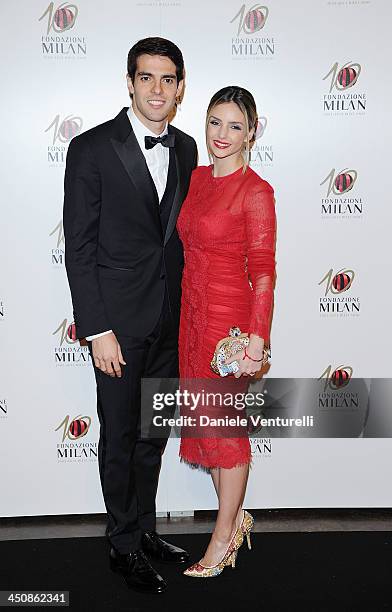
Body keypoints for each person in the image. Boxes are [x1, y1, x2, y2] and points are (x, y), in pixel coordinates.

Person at [63, 37, 198, 594]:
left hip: (170, 321)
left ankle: (144, 529)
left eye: (168, 79)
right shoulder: (92, 148)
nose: (157, 89)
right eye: (147, 78)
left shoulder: (189, 148)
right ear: (130, 82)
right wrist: (98, 330)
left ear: (181, 86)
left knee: (152, 435)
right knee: (119, 436)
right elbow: (80, 246)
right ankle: (121, 544)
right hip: (116, 327)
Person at [177, 86, 276, 577]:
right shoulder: (196, 179)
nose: (222, 134)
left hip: (229, 326)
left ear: (251, 132)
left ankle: (222, 538)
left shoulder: (256, 191)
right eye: (215, 122)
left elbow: (262, 271)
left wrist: (256, 342)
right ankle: (234, 521)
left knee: (226, 429)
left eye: (235, 125)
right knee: (207, 425)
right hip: (191, 317)